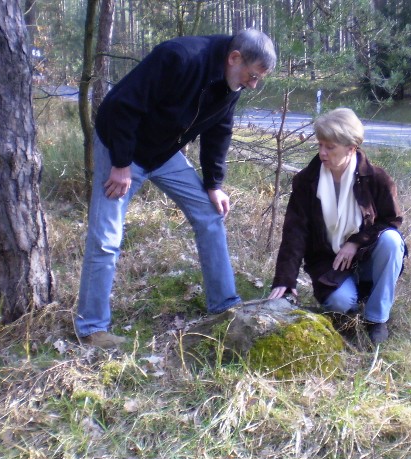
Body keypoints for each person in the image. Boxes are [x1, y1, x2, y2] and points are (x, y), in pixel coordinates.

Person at [75, 29, 277, 348]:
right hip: (119, 146)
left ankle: (225, 307)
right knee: (106, 238)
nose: (253, 85)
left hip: (163, 153)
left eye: (258, 79)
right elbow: (124, 106)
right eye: (252, 76)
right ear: (234, 58)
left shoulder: (232, 81)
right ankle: (92, 329)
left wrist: (213, 184)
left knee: (210, 215)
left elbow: (219, 131)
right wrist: (121, 163)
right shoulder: (179, 57)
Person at [268, 108, 406, 344]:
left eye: (330, 147)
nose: (322, 152)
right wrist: (285, 280)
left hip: (367, 257)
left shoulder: (376, 179)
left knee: (392, 241)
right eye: (320, 145)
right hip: (328, 262)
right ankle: (353, 303)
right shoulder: (306, 182)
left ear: (351, 148)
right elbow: (295, 232)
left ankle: (376, 319)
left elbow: (391, 221)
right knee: (340, 303)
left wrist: (355, 242)